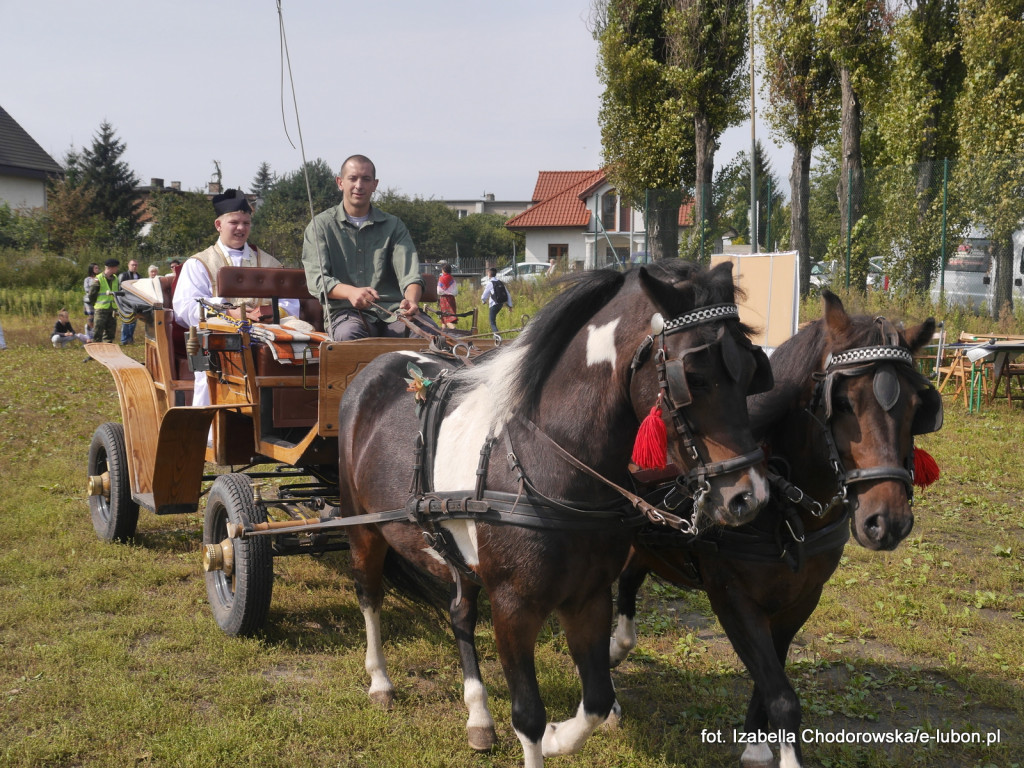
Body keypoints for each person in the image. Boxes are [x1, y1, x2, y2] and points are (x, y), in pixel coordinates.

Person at [173, 188, 299, 407]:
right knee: (209, 369)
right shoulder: (199, 263)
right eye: (234, 222)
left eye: (246, 223)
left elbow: (291, 303)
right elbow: (184, 309)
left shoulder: (270, 263)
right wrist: (226, 311)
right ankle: (212, 433)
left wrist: (267, 314)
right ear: (218, 225)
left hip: (264, 334)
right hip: (219, 337)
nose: (241, 228)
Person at [301, 154, 429, 341]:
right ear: (340, 182)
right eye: (352, 178)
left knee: (428, 336)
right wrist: (351, 292)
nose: (359, 185)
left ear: (375, 185)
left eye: (366, 179)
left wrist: (411, 301)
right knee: (350, 336)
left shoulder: (394, 226)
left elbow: (410, 275)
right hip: (345, 313)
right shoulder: (320, 226)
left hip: (394, 312)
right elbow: (317, 280)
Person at [91, 258, 120, 343]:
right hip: (101, 310)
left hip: (112, 310)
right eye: (116, 267)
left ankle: (107, 354)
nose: (117, 269)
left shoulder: (115, 278)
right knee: (98, 333)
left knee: (110, 334)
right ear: (111, 267)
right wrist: (95, 305)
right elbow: (92, 295)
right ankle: (95, 354)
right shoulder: (98, 279)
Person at [481, 267, 512, 334]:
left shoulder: (490, 283)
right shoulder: (500, 282)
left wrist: (483, 301)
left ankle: (497, 337)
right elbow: (507, 294)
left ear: (489, 274)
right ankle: (496, 337)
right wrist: (510, 305)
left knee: (492, 322)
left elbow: (484, 296)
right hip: (500, 304)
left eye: (488, 272)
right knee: (493, 320)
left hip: (493, 304)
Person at [118, 258, 142, 344]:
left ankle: (130, 339)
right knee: (126, 320)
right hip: (126, 302)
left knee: (133, 320)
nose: (134, 266)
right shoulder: (123, 275)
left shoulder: (139, 277)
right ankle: (124, 340)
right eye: (132, 265)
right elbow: (120, 289)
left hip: (135, 302)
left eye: (136, 265)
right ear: (128, 265)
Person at [436, 262, 458, 329]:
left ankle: (455, 331)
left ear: (443, 270)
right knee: (444, 319)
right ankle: (443, 333)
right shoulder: (452, 279)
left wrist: (443, 292)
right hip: (451, 299)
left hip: (444, 299)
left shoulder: (441, 279)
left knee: (447, 318)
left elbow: (439, 291)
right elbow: (455, 291)